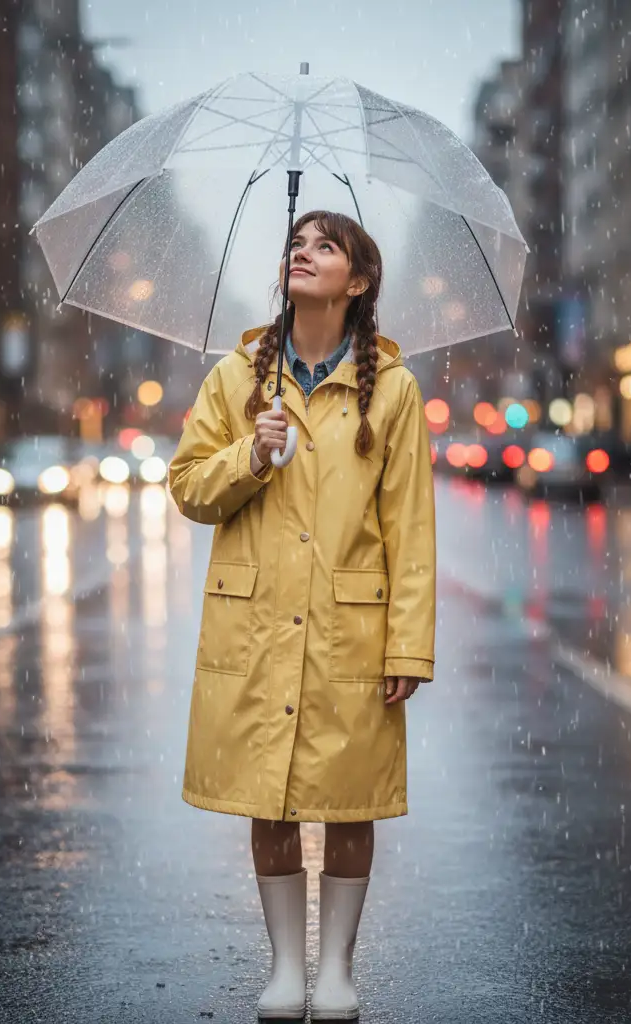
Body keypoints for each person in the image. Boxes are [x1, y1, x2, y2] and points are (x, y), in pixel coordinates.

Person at [167, 210, 436, 1021]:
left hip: (352, 626)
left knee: (351, 797)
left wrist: (408, 647)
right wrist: (250, 453)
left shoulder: (393, 390)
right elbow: (188, 487)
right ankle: (287, 968)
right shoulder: (235, 379)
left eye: (326, 246)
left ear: (360, 281)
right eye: (297, 242)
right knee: (271, 795)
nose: (303, 253)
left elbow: (409, 528)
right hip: (257, 621)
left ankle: (338, 970)